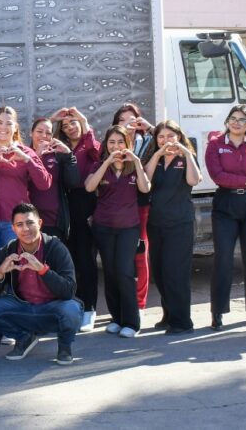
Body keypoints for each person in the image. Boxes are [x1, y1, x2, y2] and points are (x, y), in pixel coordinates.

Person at [0, 203, 82, 365]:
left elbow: (69, 291)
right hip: (24, 308)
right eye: (19, 225)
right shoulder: (8, 251)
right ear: (13, 228)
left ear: (40, 223)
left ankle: (64, 346)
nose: (25, 229)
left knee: (72, 308)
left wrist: (42, 270)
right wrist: (0, 272)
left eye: (30, 223)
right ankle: (24, 338)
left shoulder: (56, 248)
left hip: (52, 309)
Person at [204, 104, 246, 331]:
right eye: (233, 118)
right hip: (225, 204)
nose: (236, 123)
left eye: (242, 120)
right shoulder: (215, 144)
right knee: (223, 260)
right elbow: (218, 176)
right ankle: (218, 312)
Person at [84, 125, 150, 338]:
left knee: (124, 271)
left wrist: (137, 162)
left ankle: (132, 322)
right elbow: (89, 187)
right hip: (104, 227)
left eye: (120, 142)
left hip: (128, 228)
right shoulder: (99, 164)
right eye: (111, 142)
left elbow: (145, 188)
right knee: (110, 273)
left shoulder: (133, 166)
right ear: (106, 145)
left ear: (127, 144)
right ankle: (117, 318)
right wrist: (106, 163)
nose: (116, 146)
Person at [0, 106, 51, 282]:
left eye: (9, 123)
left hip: (16, 223)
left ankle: (14, 303)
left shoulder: (26, 152)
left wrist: (28, 160)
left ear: (15, 127)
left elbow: (44, 183)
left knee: (18, 269)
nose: (3, 127)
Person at [142, 120, 201, 333]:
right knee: (160, 272)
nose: (165, 140)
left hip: (180, 223)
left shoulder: (186, 158)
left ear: (178, 136)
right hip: (157, 222)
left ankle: (183, 322)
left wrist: (186, 153)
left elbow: (194, 180)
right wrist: (157, 154)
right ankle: (168, 316)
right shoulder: (154, 159)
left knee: (176, 273)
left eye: (170, 136)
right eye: (161, 137)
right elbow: (145, 182)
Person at [52, 106, 102, 332]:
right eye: (65, 125)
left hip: (85, 202)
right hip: (63, 204)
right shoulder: (59, 146)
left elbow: (98, 152)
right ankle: (72, 306)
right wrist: (53, 121)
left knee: (86, 260)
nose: (70, 127)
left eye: (74, 123)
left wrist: (83, 120)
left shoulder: (89, 146)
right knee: (68, 259)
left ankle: (89, 308)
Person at [112, 103, 156, 316]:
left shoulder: (147, 142)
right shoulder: (112, 145)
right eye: (122, 120)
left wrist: (150, 129)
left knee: (140, 254)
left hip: (141, 206)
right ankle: (122, 303)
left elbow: (172, 137)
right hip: (116, 209)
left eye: (132, 119)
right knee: (118, 259)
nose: (128, 124)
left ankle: (139, 304)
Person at [28, 117, 80, 240]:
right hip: (29, 221)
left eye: (48, 133)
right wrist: (36, 157)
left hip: (54, 221)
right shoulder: (24, 154)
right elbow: (22, 181)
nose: (44, 136)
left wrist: (69, 155)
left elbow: (73, 182)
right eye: (39, 131)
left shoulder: (58, 156)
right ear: (31, 133)